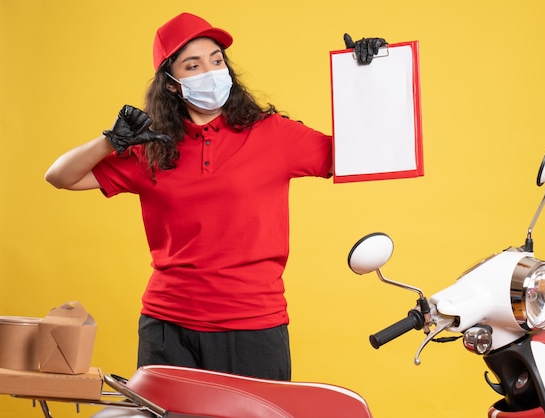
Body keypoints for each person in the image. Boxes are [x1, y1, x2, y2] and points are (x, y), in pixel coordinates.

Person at [45, 12, 385, 381]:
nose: (210, 71)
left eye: (216, 60)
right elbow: (60, 176)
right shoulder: (153, 149)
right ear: (172, 84)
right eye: (193, 65)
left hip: (252, 325)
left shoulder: (274, 135)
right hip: (167, 325)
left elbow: (366, 155)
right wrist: (111, 140)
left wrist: (368, 79)